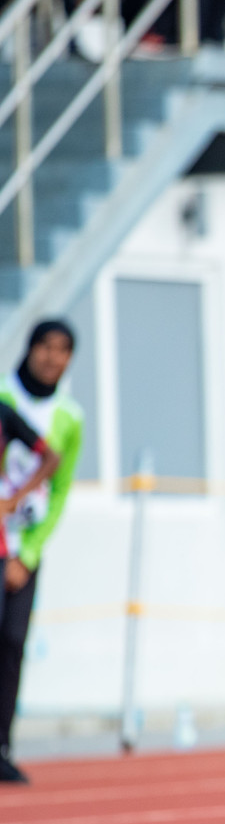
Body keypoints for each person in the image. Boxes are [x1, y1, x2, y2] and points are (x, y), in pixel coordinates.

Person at [0, 322, 71, 784]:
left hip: (13, 545)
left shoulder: (12, 410)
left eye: (62, 350)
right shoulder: (8, 394)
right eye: (46, 346)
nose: (52, 356)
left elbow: (56, 471)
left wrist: (27, 543)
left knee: (9, 643)